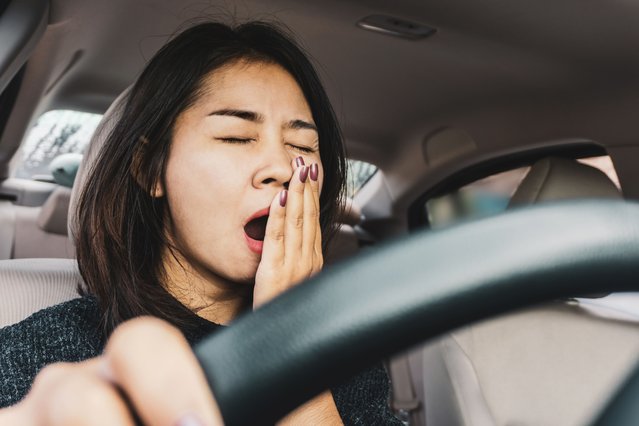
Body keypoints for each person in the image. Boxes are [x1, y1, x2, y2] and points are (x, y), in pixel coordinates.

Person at [0, 21, 402, 425]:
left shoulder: (351, 367)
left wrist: (288, 335)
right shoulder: (44, 356)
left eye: (301, 146)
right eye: (236, 137)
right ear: (150, 169)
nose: (281, 167)